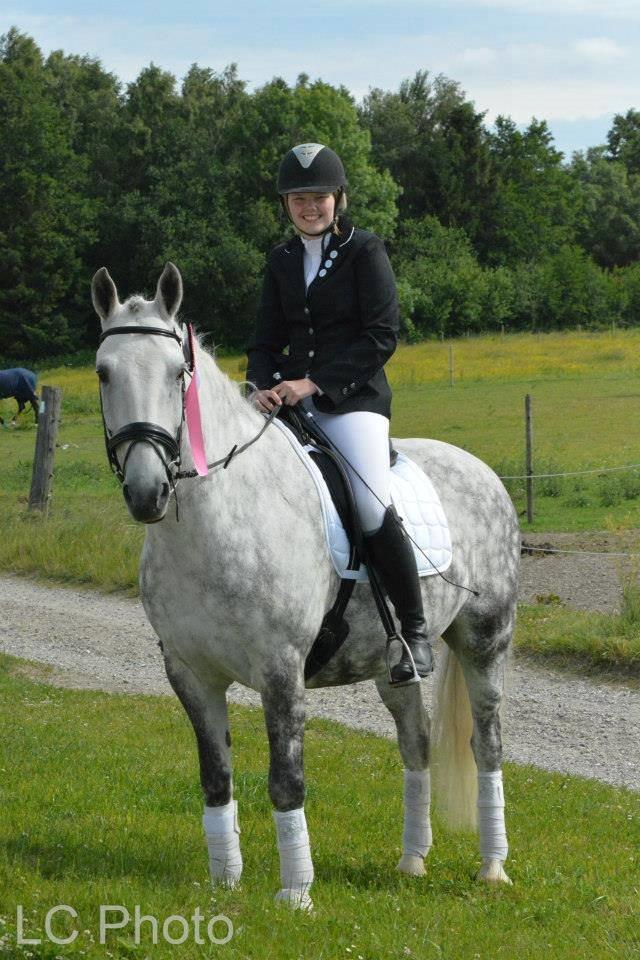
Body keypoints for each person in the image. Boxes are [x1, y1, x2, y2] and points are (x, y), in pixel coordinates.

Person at [246, 143, 432, 685]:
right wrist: (260, 385)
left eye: (319, 197)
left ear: (338, 199)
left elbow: (381, 336)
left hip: (352, 402)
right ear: (286, 204)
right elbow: (264, 339)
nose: (310, 207)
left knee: (371, 505)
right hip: (289, 405)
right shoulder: (279, 261)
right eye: (299, 198)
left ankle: (414, 634)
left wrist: (314, 383)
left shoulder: (365, 251)